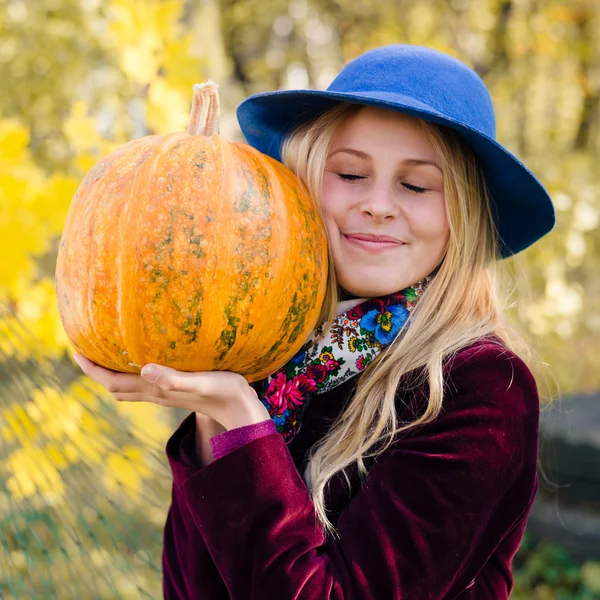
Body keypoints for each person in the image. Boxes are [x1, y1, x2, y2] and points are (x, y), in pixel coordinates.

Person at [74, 44, 555, 598]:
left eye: (417, 185)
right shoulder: (264, 357)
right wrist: (215, 413)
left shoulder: (482, 386)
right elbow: (190, 587)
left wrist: (239, 422)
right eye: (349, 173)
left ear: (463, 218)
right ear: (302, 182)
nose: (377, 204)